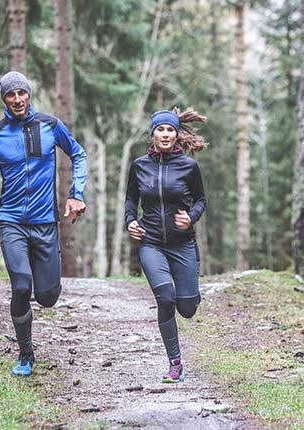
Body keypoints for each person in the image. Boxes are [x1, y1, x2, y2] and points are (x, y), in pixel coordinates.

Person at [0, 71, 87, 377]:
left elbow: (78, 154)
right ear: (4, 100)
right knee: (20, 285)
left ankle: (43, 294)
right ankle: (26, 353)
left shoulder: (51, 126)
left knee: (47, 296)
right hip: (12, 221)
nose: (17, 99)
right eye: (10, 95)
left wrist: (76, 193)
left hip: (45, 224)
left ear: (29, 95)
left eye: (21, 93)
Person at [125, 108, 207, 383]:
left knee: (186, 308)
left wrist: (191, 217)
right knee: (166, 299)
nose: (165, 134)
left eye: (170, 130)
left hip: (183, 244)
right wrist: (130, 221)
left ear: (176, 135)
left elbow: (201, 200)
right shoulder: (139, 165)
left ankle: (192, 293)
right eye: (160, 129)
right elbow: (130, 200)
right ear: (152, 134)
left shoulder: (189, 167)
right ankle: (175, 363)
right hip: (151, 244)